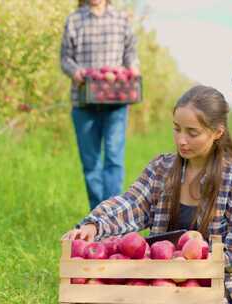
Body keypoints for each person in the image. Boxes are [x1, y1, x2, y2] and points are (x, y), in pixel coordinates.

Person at [62, 85, 232, 304]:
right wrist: (94, 225)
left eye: (192, 132)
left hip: (220, 289)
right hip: (164, 289)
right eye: (177, 129)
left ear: (217, 132)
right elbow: (131, 205)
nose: (181, 140)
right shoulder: (162, 169)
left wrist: (187, 262)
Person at [60, 0, 140, 210]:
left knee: (114, 159)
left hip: (116, 101)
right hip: (84, 101)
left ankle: (111, 215)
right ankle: (97, 215)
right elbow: (65, 58)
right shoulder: (75, 19)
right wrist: (75, 72)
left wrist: (133, 68)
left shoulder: (120, 19)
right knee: (91, 164)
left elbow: (130, 53)